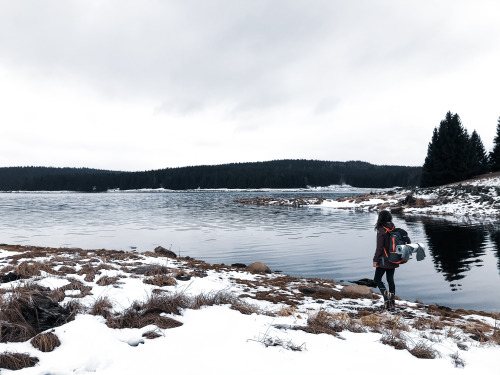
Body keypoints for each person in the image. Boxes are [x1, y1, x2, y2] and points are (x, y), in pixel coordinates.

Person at [373, 210, 397, 310]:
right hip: (393, 258)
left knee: (377, 279)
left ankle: (386, 300)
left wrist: (375, 260)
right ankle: (392, 302)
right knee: (390, 280)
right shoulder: (393, 228)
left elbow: (379, 248)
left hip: (383, 260)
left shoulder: (381, 230)